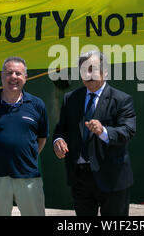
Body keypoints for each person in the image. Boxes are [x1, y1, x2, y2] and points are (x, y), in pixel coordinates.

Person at [53, 50, 136, 216]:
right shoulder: (71, 98)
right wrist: (58, 140)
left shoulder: (121, 99)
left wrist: (103, 131)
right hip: (80, 178)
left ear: (105, 71)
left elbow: (128, 131)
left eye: (93, 69)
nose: (88, 74)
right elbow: (61, 128)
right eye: (84, 70)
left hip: (112, 177)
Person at [0, 56, 48, 216]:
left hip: (29, 176)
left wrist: (26, 156)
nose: (13, 77)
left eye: (18, 73)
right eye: (9, 73)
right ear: (2, 76)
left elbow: (41, 138)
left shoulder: (37, 105)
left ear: (25, 77)